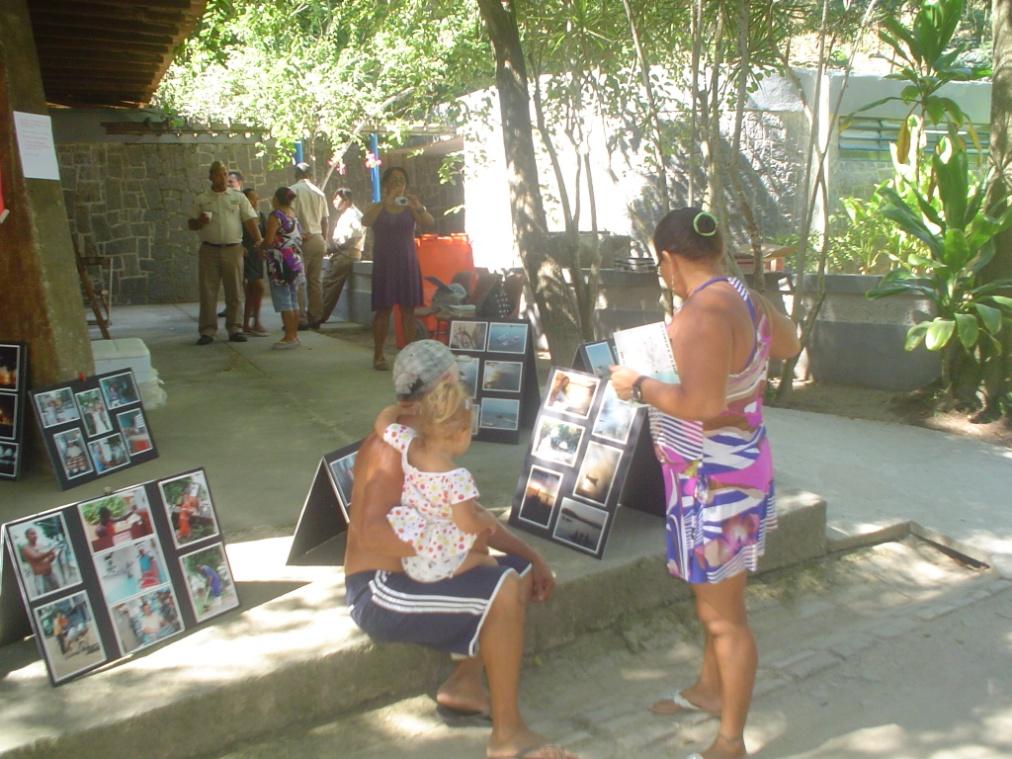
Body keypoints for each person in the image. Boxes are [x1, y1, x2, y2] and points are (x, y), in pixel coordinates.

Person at [610, 208, 800, 759]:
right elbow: (785, 343)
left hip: (714, 482)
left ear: (668, 258)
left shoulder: (701, 313)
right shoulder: (742, 296)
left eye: (658, 262)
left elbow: (699, 403)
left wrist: (638, 382)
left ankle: (731, 741)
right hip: (738, 468)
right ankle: (709, 689)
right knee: (716, 603)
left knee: (725, 619)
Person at [344, 340, 576, 759]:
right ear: (446, 384)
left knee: (518, 569)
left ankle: (464, 686)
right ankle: (508, 737)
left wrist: (532, 555)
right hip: (379, 589)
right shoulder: (391, 449)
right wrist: (444, 543)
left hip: (414, 569)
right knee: (501, 583)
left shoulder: (422, 438)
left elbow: (472, 515)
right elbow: (370, 534)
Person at [373, 379, 499, 582]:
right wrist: (489, 520)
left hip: (413, 557)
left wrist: (399, 408)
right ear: (463, 433)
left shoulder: (409, 444)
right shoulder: (458, 478)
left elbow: (382, 424)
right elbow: (467, 523)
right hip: (442, 559)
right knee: (490, 561)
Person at [362, 167, 434, 370]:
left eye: (401, 180)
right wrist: (385, 202)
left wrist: (418, 206)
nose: (397, 184)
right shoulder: (378, 206)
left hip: (407, 263)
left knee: (408, 310)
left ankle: (409, 356)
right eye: (393, 180)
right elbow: (365, 221)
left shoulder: (411, 207)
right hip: (385, 263)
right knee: (383, 310)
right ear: (385, 184)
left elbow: (429, 224)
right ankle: (378, 354)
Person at [187, 160, 263, 345]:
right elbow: (190, 223)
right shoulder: (202, 198)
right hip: (209, 249)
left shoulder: (237, 197)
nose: (222, 178)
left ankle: (235, 328)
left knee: (235, 290)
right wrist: (200, 222)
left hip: (233, 249)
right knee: (208, 291)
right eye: (218, 174)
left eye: (225, 174)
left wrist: (259, 241)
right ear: (211, 177)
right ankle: (207, 330)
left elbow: (250, 220)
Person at [260, 187, 305, 349]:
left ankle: (289, 336)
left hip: (280, 262)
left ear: (276, 199)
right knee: (293, 299)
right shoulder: (293, 215)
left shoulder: (276, 216)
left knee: (284, 299)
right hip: (294, 259)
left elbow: (269, 239)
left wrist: (261, 246)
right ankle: (295, 335)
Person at [291, 162, 329, 329]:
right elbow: (325, 219)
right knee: (315, 280)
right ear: (311, 175)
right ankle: (316, 316)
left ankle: (301, 318)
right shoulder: (319, 192)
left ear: (296, 175)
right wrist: (323, 238)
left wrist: (298, 234)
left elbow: (290, 217)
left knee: (299, 280)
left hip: (301, 239)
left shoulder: (292, 191)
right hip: (318, 237)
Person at [320, 187, 365, 325]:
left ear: (347, 200)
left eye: (337, 198)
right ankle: (318, 314)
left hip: (347, 253)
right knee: (327, 283)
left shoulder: (354, 214)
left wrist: (335, 247)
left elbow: (355, 235)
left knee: (330, 285)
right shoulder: (347, 214)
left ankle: (319, 316)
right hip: (341, 252)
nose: (334, 201)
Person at [241, 187, 270, 336]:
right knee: (257, 287)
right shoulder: (240, 217)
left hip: (257, 256)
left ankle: (250, 323)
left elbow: (265, 235)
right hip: (246, 256)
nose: (255, 200)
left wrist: (264, 247)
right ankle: (252, 322)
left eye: (256, 197)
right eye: (252, 198)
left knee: (253, 291)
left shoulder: (260, 215)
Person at [19, 528, 59, 596]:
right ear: (26, 537)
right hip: (41, 578)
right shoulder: (26, 548)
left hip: (51, 574)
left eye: (35, 533)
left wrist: (53, 556)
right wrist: (49, 552)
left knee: (59, 594)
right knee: (48, 599)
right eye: (32, 534)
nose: (35, 535)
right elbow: (36, 558)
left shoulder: (41, 545)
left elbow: (48, 560)